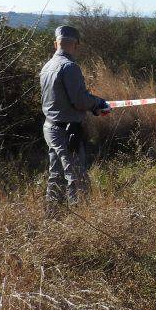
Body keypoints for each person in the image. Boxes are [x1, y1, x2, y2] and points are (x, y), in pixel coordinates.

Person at [39, 25, 110, 213]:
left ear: (56, 44)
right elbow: (79, 100)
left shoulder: (47, 67)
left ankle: (51, 215)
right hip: (66, 131)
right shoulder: (69, 67)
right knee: (76, 176)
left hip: (50, 127)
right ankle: (79, 221)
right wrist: (99, 104)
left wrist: (93, 107)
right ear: (76, 45)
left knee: (56, 174)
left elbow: (62, 100)